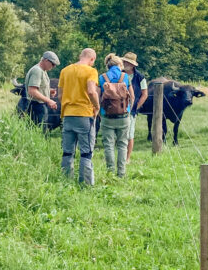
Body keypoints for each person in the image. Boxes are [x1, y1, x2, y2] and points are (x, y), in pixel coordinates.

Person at [58, 48, 100, 185]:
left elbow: (60, 95)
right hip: (84, 114)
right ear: (92, 59)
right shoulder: (91, 71)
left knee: (67, 151)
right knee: (86, 151)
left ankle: (65, 181)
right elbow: (91, 91)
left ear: (80, 55)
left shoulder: (65, 71)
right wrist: (97, 106)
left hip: (68, 114)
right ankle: (86, 183)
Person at [98, 53, 134, 178]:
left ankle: (110, 172)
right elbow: (132, 96)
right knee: (122, 144)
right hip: (123, 116)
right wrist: (128, 110)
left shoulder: (102, 77)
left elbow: (98, 96)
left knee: (108, 145)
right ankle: (121, 173)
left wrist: (100, 112)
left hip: (107, 116)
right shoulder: (125, 77)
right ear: (120, 64)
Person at [121, 51, 148, 162]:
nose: (126, 64)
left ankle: (127, 158)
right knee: (120, 134)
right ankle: (120, 157)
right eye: (125, 61)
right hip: (118, 108)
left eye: (128, 62)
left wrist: (136, 107)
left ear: (133, 64)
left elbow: (144, 94)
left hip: (131, 111)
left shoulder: (140, 77)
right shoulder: (119, 73)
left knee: (130, 134)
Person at [24, 51, 59, 126]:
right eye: (53, 64)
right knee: (40, 130)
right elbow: (32, 91)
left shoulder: (42, 70)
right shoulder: (37, 71)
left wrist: (49, 91)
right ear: (46, 60)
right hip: (37, 106)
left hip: (39, 105)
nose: (53, 67)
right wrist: (49, 100)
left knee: (42, 129)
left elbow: (37, 88)